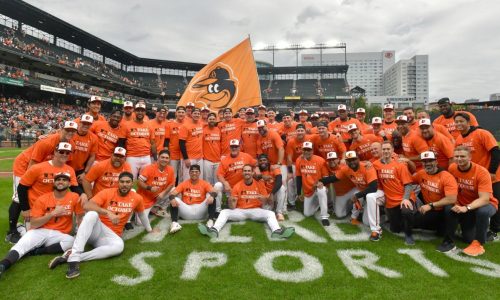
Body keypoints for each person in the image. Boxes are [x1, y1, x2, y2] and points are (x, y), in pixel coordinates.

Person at [49, 172, 157, 279]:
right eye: (122, 182)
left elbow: (142, 215)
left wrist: (149, 230)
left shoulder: (137, 198)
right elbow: (87, 205)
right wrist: (107, 212)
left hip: (111, 235)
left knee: (119, 247)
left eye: (128, 182)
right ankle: (74, 260)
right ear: (118, 182)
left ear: (132, 183)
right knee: (92, 214)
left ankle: (73, 257)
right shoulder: (107, 192)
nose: (124, 184)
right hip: (96, 229)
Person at [0, 173, 84, 279]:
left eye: (64, 179)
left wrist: (80, 230)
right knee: (20, 246)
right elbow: (34, 223)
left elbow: (79, 216)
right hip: (40, 230)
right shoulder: (43, 198)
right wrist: (52, 214)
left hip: (59, 233)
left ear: (69, 183)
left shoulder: (74, 197)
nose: (61, 181)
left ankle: (35, 251)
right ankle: (2, 265)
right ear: (53, 182)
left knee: (72, 242)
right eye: (58, 179)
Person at [198, 165, 294, 239]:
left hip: (255, 210)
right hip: (241, 211)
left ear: (252, 173)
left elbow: (269, 202)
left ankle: (277, 231)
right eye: (245, 171)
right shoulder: (237, 186)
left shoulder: (259, 184)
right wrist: (231, 201)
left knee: (270, 213)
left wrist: (264, 199)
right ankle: (214, 230)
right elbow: (232, 207)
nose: (247, 172)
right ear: (242, 173)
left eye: (249, 171)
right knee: (224, 212)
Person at [17, 143, 84, 236]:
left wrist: (83, 194)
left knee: (56, 236)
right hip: (36, 208)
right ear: (55, 152)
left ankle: (79, 228)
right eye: (61, 152)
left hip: (56, 208)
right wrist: (25, 209)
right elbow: (22, 187)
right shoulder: (37, 168)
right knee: (30, 237)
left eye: (67, 153)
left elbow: (74, 187)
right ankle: (21, 228)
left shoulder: (70, 170)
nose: (64, 155)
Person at [454, 112, 500, 239]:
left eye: (461, 121)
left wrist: (491, 171)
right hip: (473, 175)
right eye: (456, 122)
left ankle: (495, 230)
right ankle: (473, 225)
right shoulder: (459, 139)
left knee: (494, 201)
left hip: (492, 175)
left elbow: (496, 151)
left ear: (469, 122)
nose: (459, 124)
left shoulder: (482, 133)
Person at [446, 146, 498, 256]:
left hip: (485, 204)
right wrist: (457, 204)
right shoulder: (452, 168)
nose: (459, 159)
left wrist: (466, 208)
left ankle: (478, 243)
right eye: (457, 156)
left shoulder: (482, 172)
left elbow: (484, 199)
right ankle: (471, 228)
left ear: (470, 157)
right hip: (464, 205)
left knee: (482, 212)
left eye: (463, 156)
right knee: (468, 238)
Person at [321, 151, 384, 241]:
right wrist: (319, 182)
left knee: (366, 220)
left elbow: (373, 188)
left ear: (358, 159)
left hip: (376, 192)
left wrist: (358, 195)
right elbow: (334, 178)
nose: (352, 162)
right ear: (346, 162)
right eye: (349, 160)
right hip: (363, 192)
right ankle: (356, 215)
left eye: (354, 159)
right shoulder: (346, 169)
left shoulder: (367, 167)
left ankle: (378, 224)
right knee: (365, 220)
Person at [410, 151, 458, 252]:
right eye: (425, 161)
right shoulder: (421, 173)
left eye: (430, 161)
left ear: (436, 161)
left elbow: (452, 199)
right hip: (431, 210)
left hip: (443, 211)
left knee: (450, 208)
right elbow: (408, 181)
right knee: (411, 222)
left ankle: (449, 241)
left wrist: (431, 205)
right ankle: (439, 227)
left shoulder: (446, 176)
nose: (427, 163)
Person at [372, 141, 415, 245]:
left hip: (403, 197)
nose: (386, 151)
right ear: (381, 151)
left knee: (406, 211)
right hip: (390, 201)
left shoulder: (400, 165)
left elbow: (408, 185)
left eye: (388, 149)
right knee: (395, 229)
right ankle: (400, 221)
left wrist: (405, 198)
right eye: (384, 149)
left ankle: (409, 235)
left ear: (392, 151)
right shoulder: (376, 164)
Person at [167, 164, 217, 233]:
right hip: (187, 210)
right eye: (192, 171)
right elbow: (172, 194)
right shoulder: (184, 183)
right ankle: (174, 223)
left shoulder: (204, 183)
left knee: (211, 197)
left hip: (200, 210)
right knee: (173, 198)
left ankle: (210, 221)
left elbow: (215, 192)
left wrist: (212, 196)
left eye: (196, 171)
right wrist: (172, 198)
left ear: (199, 173)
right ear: (189, 173)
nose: (194, 173)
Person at [214, 139, 256, 212]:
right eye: (232, 147)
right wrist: (225, 183)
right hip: (229, 188)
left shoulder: (246, 156)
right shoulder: (225, 159)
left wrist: (256, 169)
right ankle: (218, 210)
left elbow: (255, 163)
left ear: (239, 147)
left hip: (242, 187)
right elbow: (219, 174)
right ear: (229, 148)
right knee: (218, 185)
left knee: (237, 207)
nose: (234, 148)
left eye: (236, 147)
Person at [295, 142, 330, 226]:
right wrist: (299, 193)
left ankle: (324, 216)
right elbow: (299, 177)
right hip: (308, 191)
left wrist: (319, 183)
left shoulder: (320, 160)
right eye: (305, 150)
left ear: (312, 150)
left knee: (321, 191)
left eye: (309, 150)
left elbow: (326, 177)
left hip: (319, 187)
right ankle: (319, 203)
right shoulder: (299, 160)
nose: (306, 152)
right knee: (307, 214)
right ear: (302, 150)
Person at [137, 149, 175, 218]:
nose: (164, 159)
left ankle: (161, 208)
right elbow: (139, 182)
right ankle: (152, 209)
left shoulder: (170, 169)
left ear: (169, 159)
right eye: (162, 157)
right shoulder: (149, 168)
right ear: (158, 157)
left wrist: (163, 193)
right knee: (140, 223)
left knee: (174, 190)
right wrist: (150, 188)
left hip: (158, 196)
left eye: (167, 158)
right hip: (146, 197)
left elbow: (171, 184)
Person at [124, 102, 157, 179]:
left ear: (145, 112)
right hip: (132, 156)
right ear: (134, 111)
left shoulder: (149, 125)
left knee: (146, 179)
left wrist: (155, 159)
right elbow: (122, 142)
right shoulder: (127, 125)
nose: (140, 112)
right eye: (138, 110)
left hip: (146, 157)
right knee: (131, 179)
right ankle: (133, 191)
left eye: (142, 111)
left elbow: (153, 143)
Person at [324, 151, 356, 219]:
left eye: (333, 159)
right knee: (339, 215)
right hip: (341, 194)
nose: (331, 161)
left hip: (352, 190)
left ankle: (359, 211)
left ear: (338, 159)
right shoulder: (327, 167)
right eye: (329, 160)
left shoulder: (345, 166)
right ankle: (350, 207)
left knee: (359, 193)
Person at [69, 114, 98, 184]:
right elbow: (58, 135)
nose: (86, 125)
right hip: (65, 166)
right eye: (84, 123)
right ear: (79, 122)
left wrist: (85, 172)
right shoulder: (70, 132)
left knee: (82, 192)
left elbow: (92, 156)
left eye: (88, 124)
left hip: (80, 169)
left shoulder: (94, 138)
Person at [256, 154, 286, 221]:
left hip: (274, 193)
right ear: (258, 162)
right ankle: (273, 206)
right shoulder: (257, 171)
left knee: (282, 188)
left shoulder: (274, 168)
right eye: (260, 161)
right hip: (265, 196)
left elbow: (279, 181)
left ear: (268, 161)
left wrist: (272, 194)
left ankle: (279, 212)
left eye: (264, 160)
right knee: (266, 213)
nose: (262, 162)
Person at [179, 108, 204, 181]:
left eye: (198, 114)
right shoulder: (185, 126)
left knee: (199, 179)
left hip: (199, 157)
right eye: (195, 113)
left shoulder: (201, 123)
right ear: (191, 114)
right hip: (189, 157)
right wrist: (186, 158)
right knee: (187, 179)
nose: (197, 115)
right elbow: (181, 143)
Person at [164, 106, 186, 182]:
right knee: (172, 175)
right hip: (173, 154)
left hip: (184, 154)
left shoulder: (187, 124)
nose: (181, 114)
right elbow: (166, 140)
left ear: (185, 114)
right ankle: (170, 192)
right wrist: (167, 153)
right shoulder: (169, 124)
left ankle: (180, 193)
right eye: (179, 112)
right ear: (176, 113)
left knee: (182, 175)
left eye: (183, 112)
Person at [202, 112, 221, 185]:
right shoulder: (203, 129)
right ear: (207, 120)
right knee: (207, 181)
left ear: (216, 120)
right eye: (210, 119)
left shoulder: (218, 129)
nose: (212, 120)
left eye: (213, 119)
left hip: (218, 159)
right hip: (207, 160)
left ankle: (217, 196)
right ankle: (208, 196)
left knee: (217, 182)